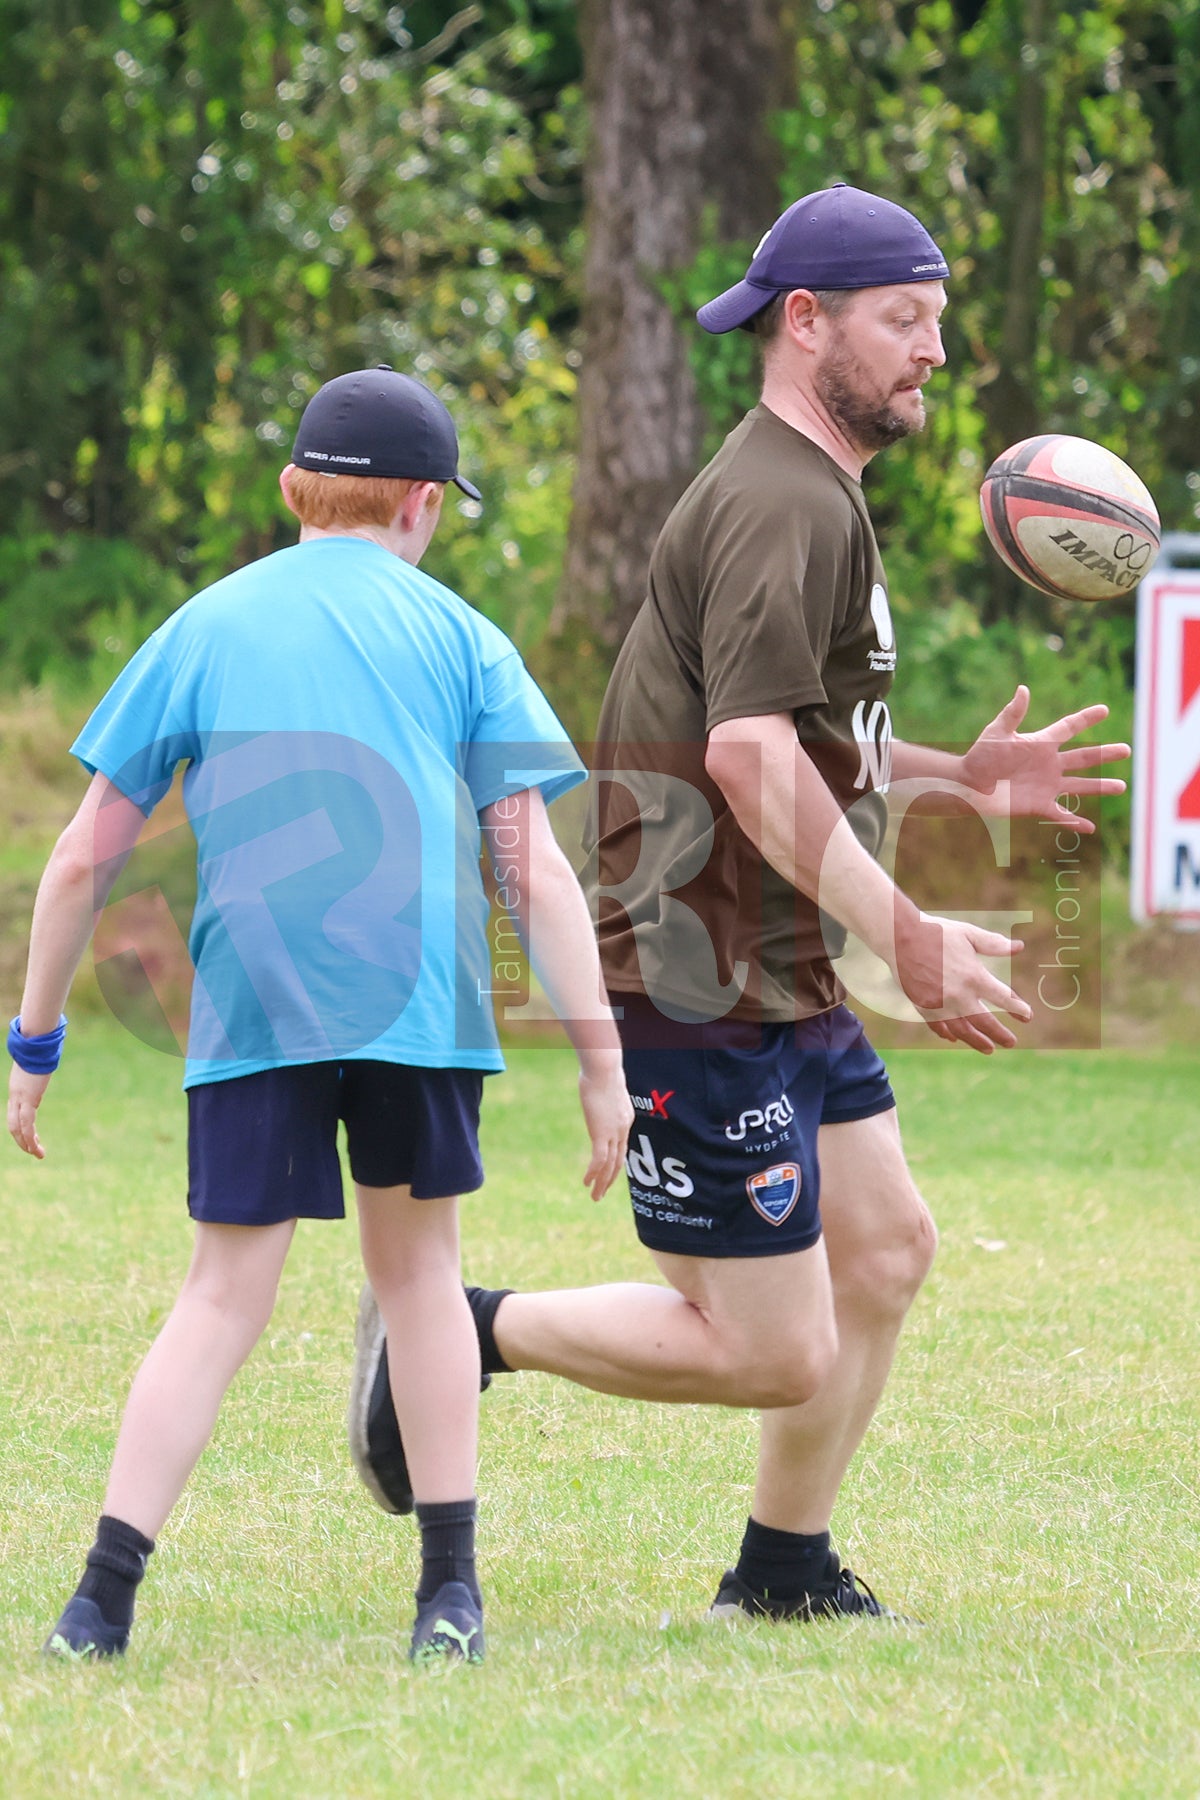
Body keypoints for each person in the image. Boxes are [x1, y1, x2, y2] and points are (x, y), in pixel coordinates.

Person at [349, 187, 1131, 1621]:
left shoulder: (816, 491)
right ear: (807, 321)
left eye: (939, 323)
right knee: (769, 1345)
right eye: (908, 321)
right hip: (695, 971)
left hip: (774, 963)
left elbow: (802, 728)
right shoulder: (781, 496)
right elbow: (747, 756)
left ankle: (782, 1570)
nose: (935, 354)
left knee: (887, 1252)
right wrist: (911, 935)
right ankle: (453, 1336)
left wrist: (967, 776)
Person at [7, 366, 631, 1665]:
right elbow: (534, 868)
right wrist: (600, 1061)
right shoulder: (464, 639)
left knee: (222, 1296)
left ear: (296, 492)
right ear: (419, 503)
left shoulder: (204, 624)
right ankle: (449, 1599)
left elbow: (79, 861)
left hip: (256, 1008)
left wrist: (37, 1040)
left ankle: (99, 1604)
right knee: (420, 1281)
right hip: (419, 1005)